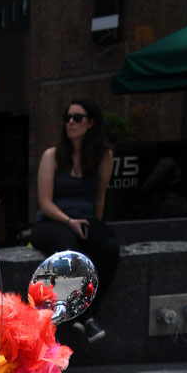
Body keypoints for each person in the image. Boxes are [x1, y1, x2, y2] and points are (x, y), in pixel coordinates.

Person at [31, 99, 119, 343]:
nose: (70, 122)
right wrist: (69, 221)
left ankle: (85, 314)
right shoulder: (52, 155)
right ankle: (87, 318)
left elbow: (100, 199)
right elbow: (45, 202)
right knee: (69, 248)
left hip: (85, 219)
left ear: (90, 123)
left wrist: (96, 230)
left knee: (108, 248)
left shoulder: (103, 156)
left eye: (77, 118)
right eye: (67, 117)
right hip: (53, 220)